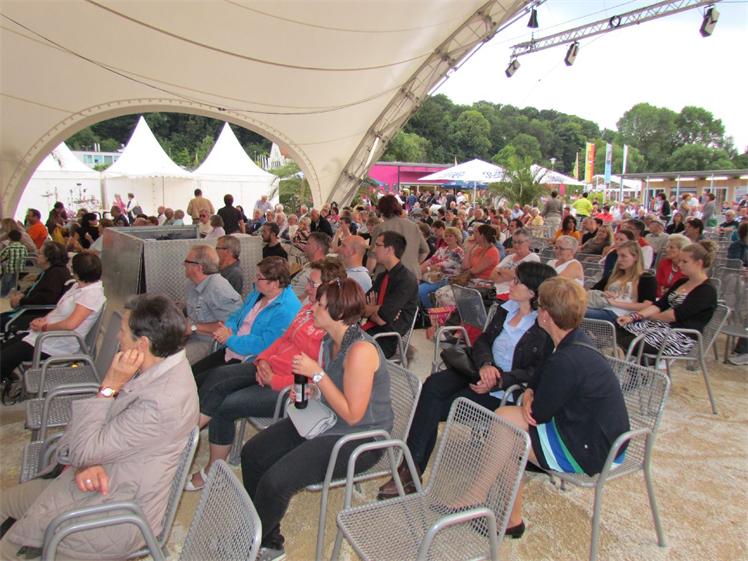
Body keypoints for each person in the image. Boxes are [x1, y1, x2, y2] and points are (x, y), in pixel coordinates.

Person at [0, 294, 199, 561]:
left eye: (122, 331)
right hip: (95, 478)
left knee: (8, 547)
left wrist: (108, 388)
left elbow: (82, 447)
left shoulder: (163, 401)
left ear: (142, 343)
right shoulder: (154, 366)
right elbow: (81, 444)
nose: (117, 336)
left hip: (109, 514)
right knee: (5, 505)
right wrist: (87, 461)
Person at [241, 278, 394, 561]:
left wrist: (318, 375)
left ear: (338, 312)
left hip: (360, 438)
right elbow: (334, 388)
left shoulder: (360, 351)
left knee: (277, 481)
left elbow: (353, 415)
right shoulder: (330, 340)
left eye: (319, 305)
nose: (312, 308)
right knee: (253, 453)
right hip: (328, 419)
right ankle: (267, 536)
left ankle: (253, 542)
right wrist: (315, 388)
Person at [377, 262, 557, 499]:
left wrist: (499, 379)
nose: (511, 284)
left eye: (517, 281)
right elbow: (483, 341)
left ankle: (409, 472)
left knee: (436, 404)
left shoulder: (543, 324)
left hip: (504, 390)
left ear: (533, 292)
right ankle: (409, 471)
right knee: (432, 386)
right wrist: (486, 365)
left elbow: (537, 371)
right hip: (478, 370)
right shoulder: (506, 309)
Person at [185, 259, 346, 491]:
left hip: (288, 388)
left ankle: (205, 462)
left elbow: (316, 379)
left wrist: (274, 379)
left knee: (224, 406)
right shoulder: (307, 310)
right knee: (218, 379)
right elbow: (281, 340)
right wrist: (262, 360)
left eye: (313, 283)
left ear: (329, 288)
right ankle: (185, 436)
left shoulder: (330, 327)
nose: (308, 287)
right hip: (268, 366)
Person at [492, 277, 630, 538]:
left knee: (507, 436)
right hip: (594, 432)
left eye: (540, 306)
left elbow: (538, 414)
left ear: (545, 315)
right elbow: (537, 381)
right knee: (503, 421)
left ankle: (506, 515)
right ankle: (504, 513)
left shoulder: (567, 359)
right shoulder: (571, 340)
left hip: (592, 450)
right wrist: (530, 393)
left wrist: (529, 399)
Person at [190, 256, 301, 388]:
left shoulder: (287, 309)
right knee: (192, 374)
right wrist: (228, 330)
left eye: (259, 277)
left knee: (205, 384)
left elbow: (264, 345)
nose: (254, 280)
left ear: (274, 283)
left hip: (249, 359)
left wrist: (230, 339)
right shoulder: (258, 293)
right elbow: (236, 315)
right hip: (231, 348)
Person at [1, 253, 105, 383]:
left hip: (56, 344)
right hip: (46, 335)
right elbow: (59, 310)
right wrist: (43, 319)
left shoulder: (91, 295)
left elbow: (70, 325)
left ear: (77, 272)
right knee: (5, 348)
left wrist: (45, 327)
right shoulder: (78, 286)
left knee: (6, 356)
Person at [617, 241, 718, 356]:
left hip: (680, 336)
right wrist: (634, 316)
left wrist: (648, 316)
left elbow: (675, 315)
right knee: (618, 329)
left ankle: (633, 363)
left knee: (627, 343)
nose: (679, 264)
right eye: (680, 261)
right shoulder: (682, 282)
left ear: (699, 263)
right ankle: (627, 361)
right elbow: (660, 304)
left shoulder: (706, 291)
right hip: (659, 326)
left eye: (684, 261)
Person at [182, 245, 242, 364]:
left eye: (187, 262)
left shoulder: (218, 289)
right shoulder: (191, 284)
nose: (183, 264)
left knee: (175, 362)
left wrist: (194, 327)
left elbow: (231, 326)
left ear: (198, 267)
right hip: (192, 336)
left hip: (211, 342)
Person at [362, 231, 418, 358]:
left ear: (389, 250)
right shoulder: (383, 276)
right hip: (371, 331)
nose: (373, 249)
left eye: (377, 245)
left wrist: (373, 310)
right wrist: (376, 310)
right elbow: (361, 306)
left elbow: (382, 317)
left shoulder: (406, 280)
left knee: (348, 351)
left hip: (386, 339)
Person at [1, 241, 72, 335]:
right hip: (29, 310)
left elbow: (46, 298)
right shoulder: (50, 271)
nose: (36, 256)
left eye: (39, 253)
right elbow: (35, 289)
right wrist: (22, 295)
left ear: (47, 258)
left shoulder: (56, 274)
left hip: (34, 314)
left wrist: (21, 301)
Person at [585, 241, 656, 322]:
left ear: (635, 257)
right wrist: (604, 294)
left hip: (621, 315)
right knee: (575, 309)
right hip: (602, 308)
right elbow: (593, 290)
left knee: (578, 312)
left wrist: (615, 303)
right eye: (618, 256)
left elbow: (647, 305)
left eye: (623, 256)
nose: (619, 260)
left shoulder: (646, 278)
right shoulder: (613, 275)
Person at [368, 195, 429, 280]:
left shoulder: (380, 228)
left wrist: (367, 277)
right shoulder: (413, 226)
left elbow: (372, 257)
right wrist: (412, 264)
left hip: (388, 277)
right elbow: (425, 251)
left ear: (381, 210)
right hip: (412, 276)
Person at [418, 226, 464, 308]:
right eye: (446, 236)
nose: (448, 238)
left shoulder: (458, 252)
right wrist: (418, 269)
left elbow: (441, 266)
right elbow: (430, 261)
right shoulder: (442, 249)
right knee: (412, 285)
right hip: (433, 276)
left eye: (450, 236)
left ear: (456, 238)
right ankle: (419, 309)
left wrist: (424, 270)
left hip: (448, 279)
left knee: (420, 290)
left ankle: (430, 310)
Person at [491, 227, 540, 299]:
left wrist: (500, 271)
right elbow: (493, 275)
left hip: (513, 296)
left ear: (528, 242)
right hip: (495, 292)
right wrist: (509, 273)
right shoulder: (509, 257)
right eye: (514, 242)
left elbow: (518, 277)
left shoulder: (533, 258)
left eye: (520, 242)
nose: (516, 245)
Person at [290, 231, 331, 299]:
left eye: (308, 244)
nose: (305, 246)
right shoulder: (308, 264)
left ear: (318, 248)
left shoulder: (322, 271)